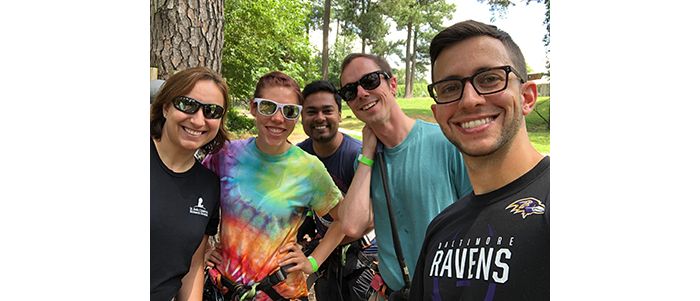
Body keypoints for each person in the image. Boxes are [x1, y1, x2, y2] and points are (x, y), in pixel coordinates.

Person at [408, 20, 550, 301]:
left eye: (489, 79)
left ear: (527, 97)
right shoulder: (440, 230)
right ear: (438, 115)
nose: (469, 100)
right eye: (450, 87)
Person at [337, 53, 473, 300]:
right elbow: (351, 225)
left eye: (369, 81)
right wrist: (367, 152)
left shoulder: (444, 142)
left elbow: (478, 221)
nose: (361, 93)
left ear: (392, 84)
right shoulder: (367, 160)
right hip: (397, 293)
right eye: (349, 91)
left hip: (450, 291)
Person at [202, 71, 346, 301]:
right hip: (224, 290)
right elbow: (194, 200)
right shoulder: (225, 155)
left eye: (289, 111)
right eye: (268, 107)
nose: (278, 119)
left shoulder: (309, 169)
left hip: (281, 292)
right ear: (253, 108)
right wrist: (203, 252)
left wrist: (313, 261)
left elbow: (343, 220)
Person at [150, 66, 230, 301]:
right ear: (165, 107)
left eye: (211, 111)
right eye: (187, 104)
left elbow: (194, 265)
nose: (198, 120)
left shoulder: (208, 185)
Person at [296, 80, 378, 300]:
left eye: (327, 111)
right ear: (302, 117)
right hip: (324, 252)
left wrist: (318, 250)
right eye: (311, 111)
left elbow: (369, 218)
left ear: (340, 115)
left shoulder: (357, 156)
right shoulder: (298, 157)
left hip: (363, 252)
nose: (320, 118)